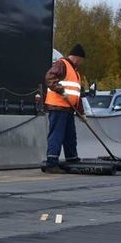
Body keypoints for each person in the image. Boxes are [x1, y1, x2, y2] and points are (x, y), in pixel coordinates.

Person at [42, 44, 86, 173]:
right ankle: (51, 162)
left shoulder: (75, 72)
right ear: (78, 58)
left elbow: (76, 95)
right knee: (57, 135)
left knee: (70, 135)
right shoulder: (62, 64)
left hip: (68, 109)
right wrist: (61, 90)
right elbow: (49, 78)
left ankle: (72, 158)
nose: (81, 63)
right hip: (58, 107)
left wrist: (81, 113)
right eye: (81, 60)